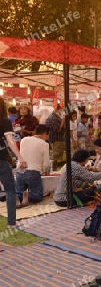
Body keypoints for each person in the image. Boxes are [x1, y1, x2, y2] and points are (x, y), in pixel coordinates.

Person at [0, 97, 28, 228]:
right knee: (10, 190)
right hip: (1, 160)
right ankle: (11, 222)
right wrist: (20, 157)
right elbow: (10, 140)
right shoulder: (4, 121)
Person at [16, 124, 50, 207]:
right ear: (45, 133)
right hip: (33, 171)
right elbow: (46, 164)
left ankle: (18, 198)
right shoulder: (44, 144)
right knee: (38, 195)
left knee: (19, 191)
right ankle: (28, 197)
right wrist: (46, 171)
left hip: (20, 170)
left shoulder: (24, 140)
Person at [45, 105, 65, 171]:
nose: (61, 111)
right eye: (61, 109)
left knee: (55, 155)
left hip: (56, 138)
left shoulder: (55, 116)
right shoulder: (53, 118)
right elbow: (58, 130)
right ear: (57, 109)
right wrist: (62, 123)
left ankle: (53, 169)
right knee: (55, 156)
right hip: (56, 139)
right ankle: (53, 170)